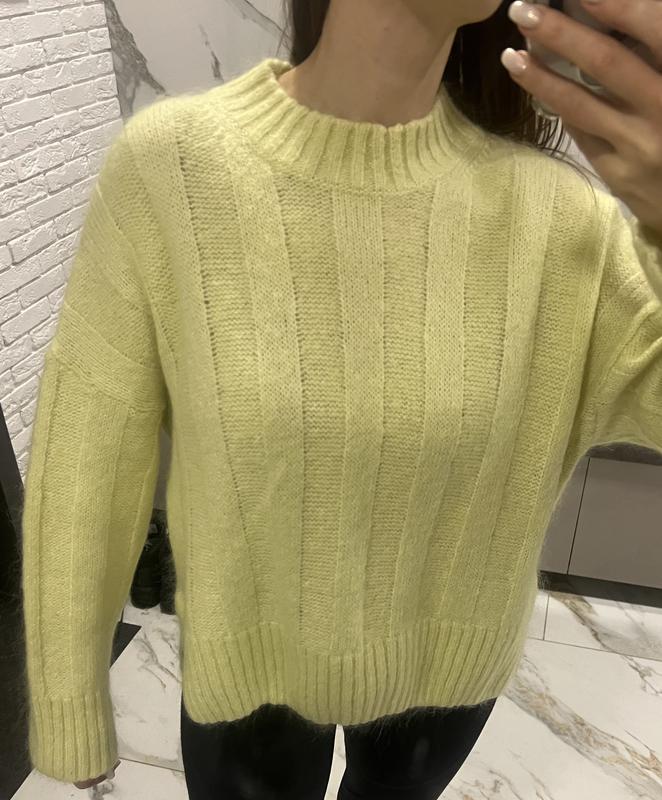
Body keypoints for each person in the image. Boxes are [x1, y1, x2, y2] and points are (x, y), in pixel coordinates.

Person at [20, 0, 662, 795]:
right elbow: (88, 446)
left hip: (444, 681)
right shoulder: (174, 171)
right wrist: (69, 698)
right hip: (247, 678)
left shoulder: (561, 221)